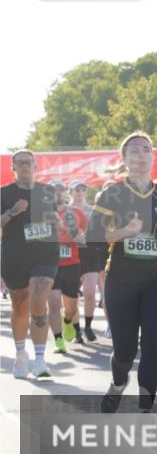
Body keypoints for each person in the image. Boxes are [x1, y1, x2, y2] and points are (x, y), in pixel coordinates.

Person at [88, 132, 157, 412]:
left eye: (146, 150)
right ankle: (118, 384)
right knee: (124, 350)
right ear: (124, 160)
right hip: (121, 279)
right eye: (134, 151)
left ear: (153, 158)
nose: (140, 155)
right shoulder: (112, 193)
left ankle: (145, 408)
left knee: (153, 343)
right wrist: (123, 232)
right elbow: (94, 235)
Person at [2, 150, 61, 378]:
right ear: (13, 168)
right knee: (20, 305)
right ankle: (20, 355)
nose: (25, 166)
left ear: (35, 166)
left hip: (45, 252)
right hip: (15, 255)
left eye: (29, 162)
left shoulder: (47, 191)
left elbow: (55, 218)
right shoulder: (4, 193)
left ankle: (40, 360)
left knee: (38, 298)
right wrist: (11, 212)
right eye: (20, 163)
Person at [48, 180, 89, 353]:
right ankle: (58, 341)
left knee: (71, 307)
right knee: (54, 302)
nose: (57, 193)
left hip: (72, 264)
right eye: (53, 190)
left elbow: (85, 237)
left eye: (60, 190)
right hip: (49, 265)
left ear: (65, 192)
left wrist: (79, 238)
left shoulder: (77, 213)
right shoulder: (42, 213)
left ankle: (67, 322)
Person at [70, 179, 102, 342]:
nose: (80, 193)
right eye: (76, 190)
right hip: (70, 255)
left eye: (82, 190)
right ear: (71, 193)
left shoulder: (93, 210)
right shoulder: (65, 211)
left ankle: (88, 327)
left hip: (90, 254)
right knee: (72, 296)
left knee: (89, 294)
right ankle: (76, 331)